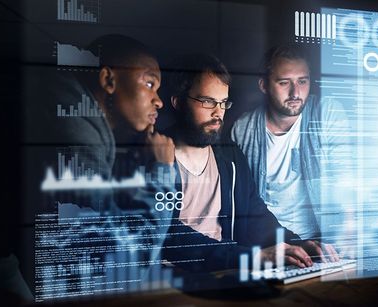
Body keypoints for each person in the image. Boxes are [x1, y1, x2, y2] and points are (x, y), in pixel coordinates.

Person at [21, 34, 176, 301]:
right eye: (150, 83)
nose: (158, 101)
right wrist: (162, 169)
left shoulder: (74, 119)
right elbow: (125, 259)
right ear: (108, 80)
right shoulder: (73, 135)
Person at [162, 54, 333, 281]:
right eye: (208, 102)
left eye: (223, 103)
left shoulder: (230, 157)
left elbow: (254, 215)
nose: (218, 113)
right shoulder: (154, 156)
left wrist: (295, 244)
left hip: (224, 275)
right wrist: (250, 257)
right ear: (178, 102)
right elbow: (166, 235)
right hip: (167, 281)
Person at [231, 45, 353, 260]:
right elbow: (243, 200)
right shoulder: (243, 128)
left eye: (302, 82)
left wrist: (347, 232)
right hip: (272, 244)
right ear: (264, 85)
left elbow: (343, 178)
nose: (295, 93)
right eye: (284, 82)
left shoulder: (327, 113)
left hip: (322, 241)